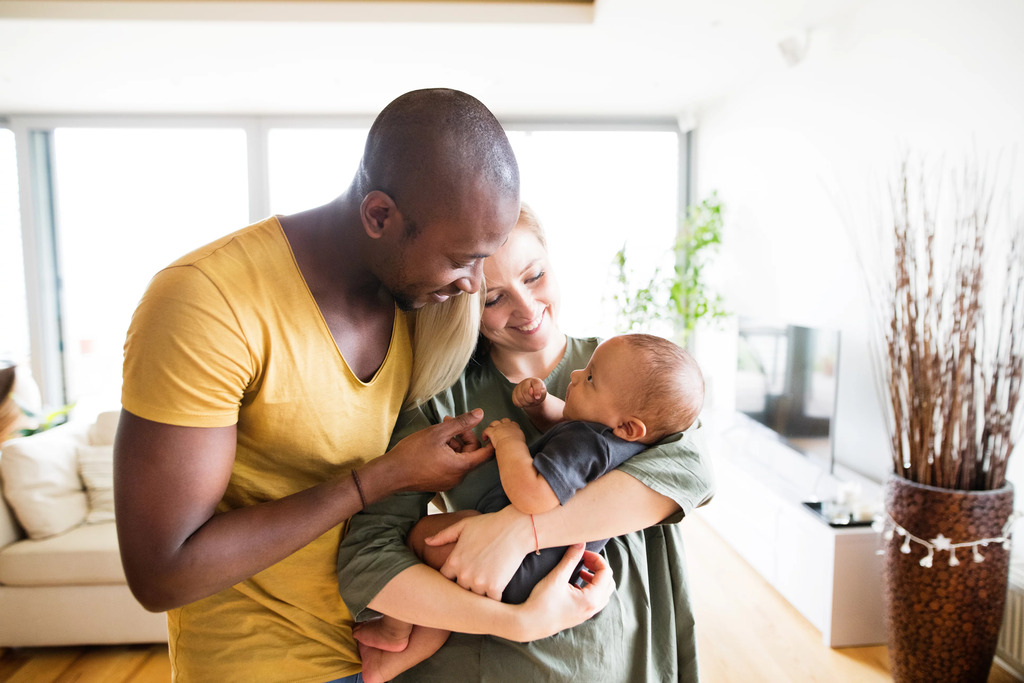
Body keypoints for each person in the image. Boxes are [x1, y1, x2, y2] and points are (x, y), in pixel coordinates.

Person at [113, 89, 615, 683]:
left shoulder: (420, 306)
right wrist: (385, 477)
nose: (474, 286)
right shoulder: (207, 302)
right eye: (463, 261)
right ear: (380, 216)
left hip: (391, 655)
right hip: (262, 664)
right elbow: (162, 574)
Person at [338, 204, 715, 682]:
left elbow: (691, 474)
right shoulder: (441, 398)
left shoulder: (641, 375)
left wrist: (519, 532)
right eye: (493, 298)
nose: (525, 308)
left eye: (534, 276)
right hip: (487, 663)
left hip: (618, 660)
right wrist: (517, 622)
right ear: (462, 303)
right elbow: (367, 554)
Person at [353, 332, 705, 682]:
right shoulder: (615, 439)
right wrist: (540, 406)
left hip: (522, 568)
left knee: (424, 539)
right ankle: (393, 660)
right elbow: (564, 429)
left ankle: (396, 634)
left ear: (628, 426)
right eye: (586, 368)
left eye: (591, 379)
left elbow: (533, 495)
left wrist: (510, 442)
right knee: (449, 580)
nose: (575, 375)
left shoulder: (587, 444)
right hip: (544, 570)